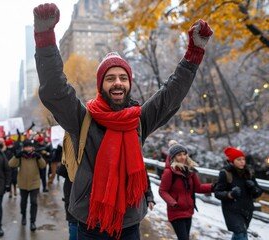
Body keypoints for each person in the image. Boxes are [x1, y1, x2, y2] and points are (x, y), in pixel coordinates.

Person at [33, 3, 213, 239]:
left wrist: (193, 54)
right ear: (101, 86)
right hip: (91, 223)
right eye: (110, 78)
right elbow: (54, 90)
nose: (117, 82)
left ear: (128, 84)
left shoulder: (139, 120)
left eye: (122, 77)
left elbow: (170, 95)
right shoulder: (82, 118)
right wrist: (45, 38)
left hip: (129, 225)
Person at [159, 141, 213, 240]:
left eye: (184, 154)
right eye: (179, 155)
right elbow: (162, 191)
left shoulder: (190, 170)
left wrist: (213, 187)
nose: (183, 157)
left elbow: (198, 188)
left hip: (188, 211)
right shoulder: (169, 172)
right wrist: (173, 203)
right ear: (173, 157)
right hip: (176, 212)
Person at [214, 147, 263, 240]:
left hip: (247, 209)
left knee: (241, 234)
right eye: (238, 159)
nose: (242, 162)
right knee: (241, 234)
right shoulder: (225, 173)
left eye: (243, 159)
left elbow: (258, 192)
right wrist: (230, 194)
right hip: (232, 210)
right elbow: (217, 193)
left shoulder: (249, 173)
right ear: (232, 161)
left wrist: (253, 188)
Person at [8, 139, 46, 232]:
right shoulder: (21, 156)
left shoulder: (35, 156)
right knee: (23, 202)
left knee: (34, 202)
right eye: (26, 146)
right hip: (23, 183)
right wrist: (16, 156)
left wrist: (39, 157)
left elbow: (43, 166)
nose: (28, 148)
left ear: (32, 147)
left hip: (34, 183)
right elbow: (11, 164)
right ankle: (23, 216)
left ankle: (33, 221)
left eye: (29, 146)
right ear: (23, 148)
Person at [57, 163, 78, 240]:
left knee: (74, 224)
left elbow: (60, 171)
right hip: (71, 195)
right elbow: (60, 171)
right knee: (74, 224)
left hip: (73, 195)